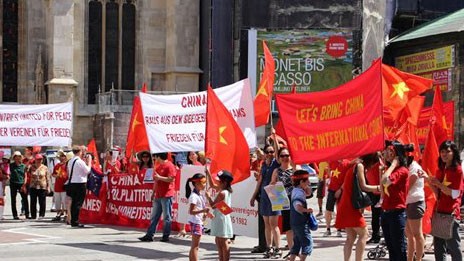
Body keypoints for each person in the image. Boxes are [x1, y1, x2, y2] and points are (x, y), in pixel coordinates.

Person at [335, 156, 381, 261]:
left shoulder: (353, 165)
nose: (372, 167)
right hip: (352, 206)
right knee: (364, 234)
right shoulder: (359, 166)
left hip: (345, 204)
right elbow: (363, 186)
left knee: (350, 238)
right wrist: (380, 188)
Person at [425, 140, 463, 261]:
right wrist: (429, 181)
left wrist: (439, 184)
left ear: (453, 153)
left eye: (447, 151)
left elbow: (455, 194)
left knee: (454, 248)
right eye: (442, 151)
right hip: (439, 212)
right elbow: (438, 194)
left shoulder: (457, 170)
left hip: (451, 214)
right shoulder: (440, 169)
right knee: (438, 248)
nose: (444, 154)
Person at [250, 145, 281, 257]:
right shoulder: (263, 165)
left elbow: (277, 151)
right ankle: (269, 248)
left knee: (274, 224)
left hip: (275, 193)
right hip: (264, 195)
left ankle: (278, 248)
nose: (270, 154)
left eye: (272, 152)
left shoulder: (276, 163)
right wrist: (253, 196)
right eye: (268, 152)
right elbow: (260, 181)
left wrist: (274, 137)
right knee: (266, 224)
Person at [380, 141, 409, 261]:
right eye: (387, 150)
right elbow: (382, 189)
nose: (387, 153)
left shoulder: (401, 170)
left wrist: (393, 165)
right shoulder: (387, 169)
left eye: (391, 151)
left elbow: (385, 181)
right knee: (391, 247)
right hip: (386, 212)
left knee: (398, 247)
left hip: (396, 213)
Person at [139, 152, 176, 242]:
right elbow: (156, 181)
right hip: (158, 195)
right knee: (154, 216)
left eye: (155, 157)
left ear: (159, 157)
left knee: (167, 216)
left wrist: (160, 177)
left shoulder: (170, 166)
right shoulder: (158, 166)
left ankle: (165, 236)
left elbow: (171, 179)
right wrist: (153, 192)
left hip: (167, 194)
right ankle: (149, 235)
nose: (155, 159)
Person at [205, 169, 234, 261]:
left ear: (224, 182)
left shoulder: (222, 193)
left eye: (219, 180)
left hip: (222, 218)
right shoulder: (224, 190)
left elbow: (213, 205)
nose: (217, 181)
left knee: (223, 241)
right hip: (220, 217)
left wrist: (208, 196)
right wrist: (209, 174)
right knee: (218, 240)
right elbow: (212, 185)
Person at [403, 144, 425, 261]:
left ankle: (418, 259)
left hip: (415, 202)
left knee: (417, 234)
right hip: (407, 203)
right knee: (409, 235)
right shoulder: (405, 166)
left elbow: (407, 187)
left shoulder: (414, 167)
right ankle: (410, 258)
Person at [270, 147, 294, 258]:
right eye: (282, 156)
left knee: (297, 226)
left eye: (287, 155)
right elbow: (272, 184)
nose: (285, 158)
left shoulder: (295, 168)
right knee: (288, 226)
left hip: (295, 200)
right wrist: (275, 186)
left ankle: (297, 250)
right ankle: (292, 250)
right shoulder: (276, 171)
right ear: (279, 158)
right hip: (283, 200)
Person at [287, 169, 314, 261]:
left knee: (297, 243)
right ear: (301, 181)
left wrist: (307, 187)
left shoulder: (296, 190)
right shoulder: (299, 193)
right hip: (301, 222)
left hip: (294, 222)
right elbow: (297, 206)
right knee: (307, 243)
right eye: (307, 181)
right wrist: (307, 210)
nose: (309, 182)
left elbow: (309, 193)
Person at [185, 173, 210, 261]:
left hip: (198, 221)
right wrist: (203, 211)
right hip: (196, 222)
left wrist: (206, 213)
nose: (205, 184)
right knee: (195, 247)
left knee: (194, 246)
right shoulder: (194, 196)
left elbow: (199, 208)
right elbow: (191, 211)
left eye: (205, 182)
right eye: (203, 182)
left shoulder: (199, 195)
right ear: (196, 183)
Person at [324, 159, 351, 237]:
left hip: (342, 189)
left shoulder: (347, 163)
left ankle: (339, 229)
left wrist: (340, 189)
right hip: (332, 189)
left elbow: (347, 179)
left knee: (340, 210)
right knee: (328, 209)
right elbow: (329, 171)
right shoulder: (332, 161)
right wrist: (329, 177)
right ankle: (328, 229)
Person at [67, 146, 92, 228]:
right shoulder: (79, 161)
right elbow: (88, 170)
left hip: (73, 182)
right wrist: (89, 162)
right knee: (78, 203)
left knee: (74, 202)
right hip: (80, 183)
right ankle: (75, 220)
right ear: (79, 152)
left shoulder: (70, 161)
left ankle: (73, 220)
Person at [364, 153, 383, 244]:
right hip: (373, 192)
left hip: (379, 193)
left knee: (378, 217)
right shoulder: (370, 166)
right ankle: (376, 235)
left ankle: (377, 236)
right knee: (375, 216)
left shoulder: (379, 165)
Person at [28, 154, 50, 219]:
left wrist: (48, 187)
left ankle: (41, 215)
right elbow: (26, 173)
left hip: (42, 186)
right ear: (35, 160)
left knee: (42, 201)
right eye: (38, 159)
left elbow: (47, 178)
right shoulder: (31, 167)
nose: (39, 161)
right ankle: (33, 215)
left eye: (40, 159)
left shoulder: (45, 168)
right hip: (33, 186)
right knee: (33, 201)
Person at [9, 151, 29, 220]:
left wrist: (24, 184)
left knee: (25, 199)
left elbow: (25, 175)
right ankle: (15, 215)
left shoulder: (23, 166)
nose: (17, 158)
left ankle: (27, 214)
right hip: (13, 183)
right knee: (13, 199)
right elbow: (7, 172)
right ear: (14, 158)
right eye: (16, 157)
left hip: (21, 183)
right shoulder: (11, 165)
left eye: (19, 157)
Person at [51, 150, 69, 221]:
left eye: (63, 156)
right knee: (57, 201)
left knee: (65, 201)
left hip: (64, 186)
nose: (62, 158)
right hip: (57, 186)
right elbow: (53, 174)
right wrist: (56, 176)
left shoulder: (67, 165)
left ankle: (65, 214)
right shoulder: (57, 165)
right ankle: (58, 214)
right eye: (61, 156)